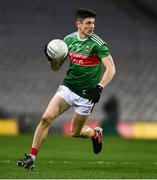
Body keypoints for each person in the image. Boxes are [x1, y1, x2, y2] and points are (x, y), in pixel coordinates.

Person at [17, 8, 116, 170]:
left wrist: (100, 87)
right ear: (78, 24)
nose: (92, 26)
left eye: (93, 23)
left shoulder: (98, 44)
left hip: (87, 95)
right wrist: (52, 58)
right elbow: (56, 68)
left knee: (75, 133)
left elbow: (111, 69)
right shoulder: (67, 41)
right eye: (88, 23)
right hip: (68, 88)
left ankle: (95, 134)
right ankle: (32, 157)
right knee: (46, 118)